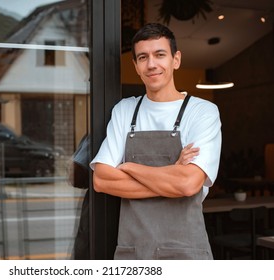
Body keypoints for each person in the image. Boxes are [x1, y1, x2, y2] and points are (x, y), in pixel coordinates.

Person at [90, 23, 222, 260]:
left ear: (176, 59)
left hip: (186, 253)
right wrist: (172, 173)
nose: (151, 64)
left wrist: (130, 167)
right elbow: (101, 179)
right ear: (136, 66)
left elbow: (188, 185)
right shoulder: (125, 110)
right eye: (143, 57)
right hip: (133, 253)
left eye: (160, 54)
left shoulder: (202, 111)